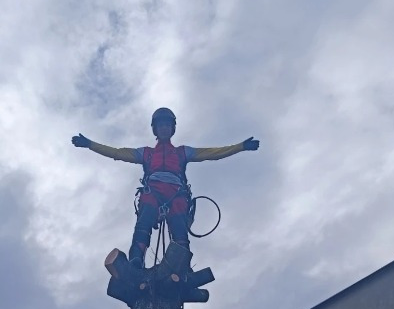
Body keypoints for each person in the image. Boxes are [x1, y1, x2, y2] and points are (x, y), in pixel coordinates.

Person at [72, 108, 259, 266]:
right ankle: (136, 260)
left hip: (176, 194)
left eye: (167, 125)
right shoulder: (146, 153)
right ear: (155, 129)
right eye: (160, 125)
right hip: (153, 192)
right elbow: (117, 153)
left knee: (180, 233)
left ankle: (181, 267)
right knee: (144, 223)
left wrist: (241, 146)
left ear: (172, 128)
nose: (164, 128)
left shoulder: (182, 152)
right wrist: (89, 144)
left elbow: (212, 153)